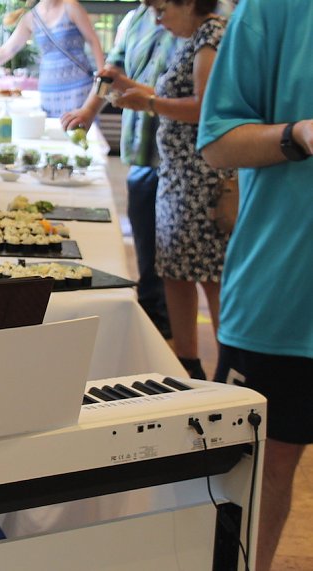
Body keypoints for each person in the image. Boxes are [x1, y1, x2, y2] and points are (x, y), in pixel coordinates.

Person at [197, 1, 313, 568]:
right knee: (258, 468)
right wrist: (297, 134)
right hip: (282, 297)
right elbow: (217, 140)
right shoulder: (274, 10)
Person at [106, 0, 230, 380]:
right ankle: (187, 363)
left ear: (188, 3)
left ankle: (229, 368)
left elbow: (204, 107)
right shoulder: (191, 37)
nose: (157, 19)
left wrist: (150, 102)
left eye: (162, 9)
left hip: (199, 178)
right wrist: (132, 88)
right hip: (177, 175)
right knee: (175, 270)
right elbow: (177, 94)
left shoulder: (211, 35)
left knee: (209, 275)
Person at [61, 1, 180, 340]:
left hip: (184, 154)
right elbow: (110, 71)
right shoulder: (136, 18)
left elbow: (205, 95)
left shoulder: (212, 19)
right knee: (147, 237)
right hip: (143, 148)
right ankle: (153, 314)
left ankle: (172, 330)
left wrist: (146, 97)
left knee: (179, 250)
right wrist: (87, 111)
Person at [0, 0, 105, 118]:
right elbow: (7, 50)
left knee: (79, 131)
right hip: (49, 91)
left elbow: (92, 40)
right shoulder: (31, 18)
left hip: (79, 87)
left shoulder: (71, 7)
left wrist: (102, 74)